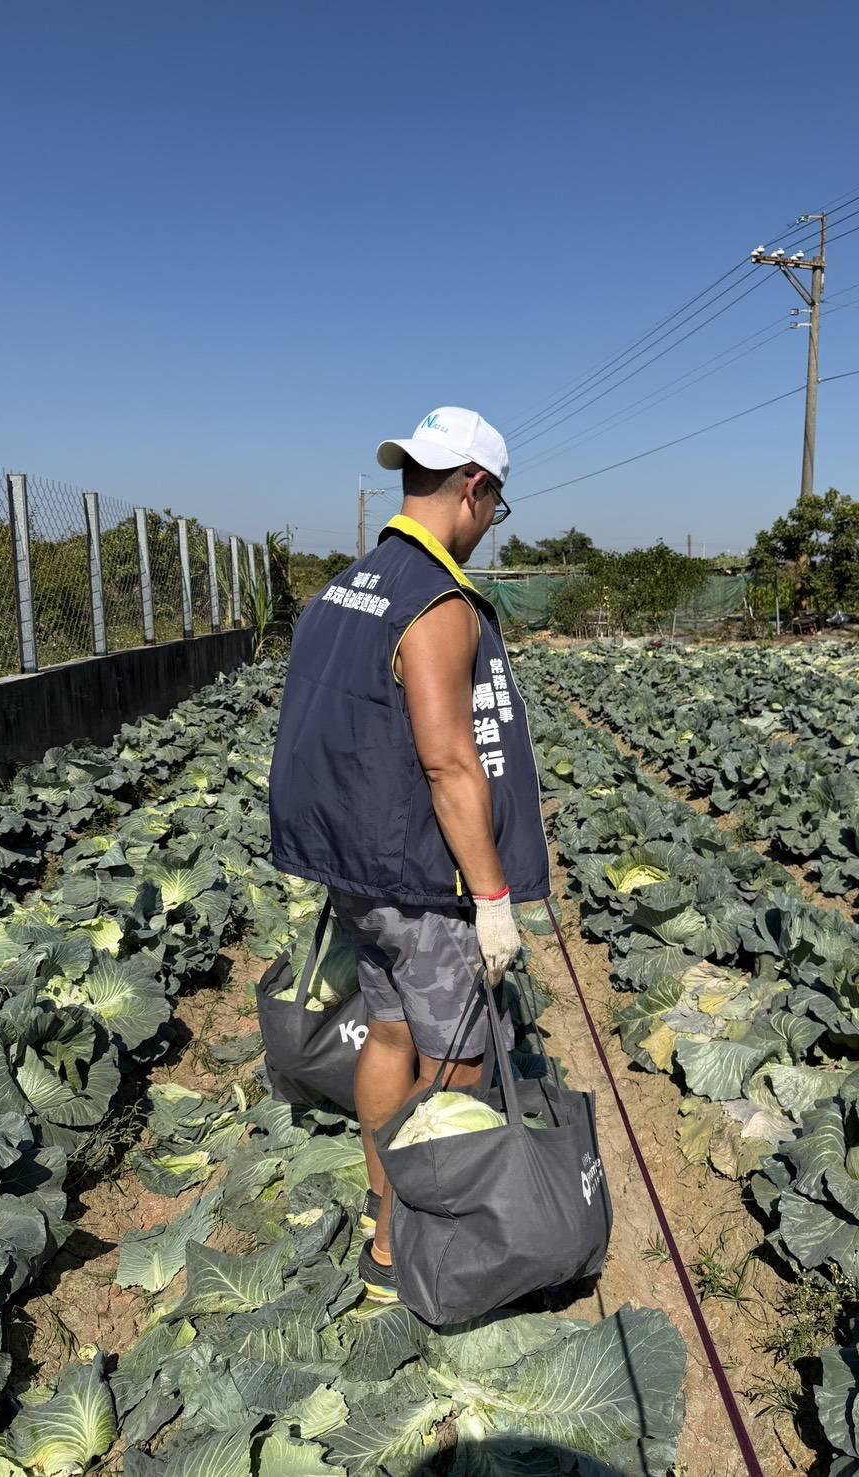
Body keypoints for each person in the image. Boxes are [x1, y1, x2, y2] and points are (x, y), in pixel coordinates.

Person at [269, 407, 550, 1300]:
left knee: (389, 1030)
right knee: (458, 1058)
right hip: (421, 881)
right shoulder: (436, 600)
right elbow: (449, 759)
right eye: (494, 505)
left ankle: (382, 1204)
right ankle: (413, 1246)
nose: (488, 522)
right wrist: (495, 896)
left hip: (357, 870)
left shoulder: (346, 586)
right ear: (475, 488)